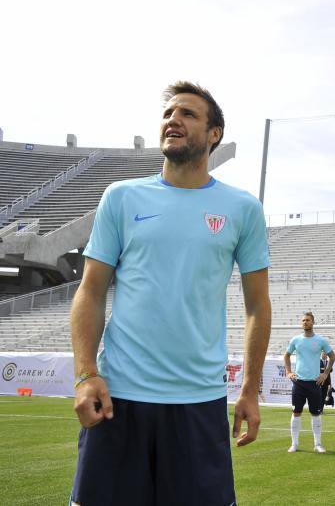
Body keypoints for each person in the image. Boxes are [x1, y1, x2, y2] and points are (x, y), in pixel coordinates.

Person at [69, 82, 272, 505]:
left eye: (188, 114)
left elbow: (257, 305)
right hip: (118, 399)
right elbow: (90, 291)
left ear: (214, 133)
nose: (173, 120)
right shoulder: (121, 197)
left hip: (198, 403)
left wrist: (250, 389)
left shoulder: (242, 208)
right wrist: (86, 374)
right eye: (168, 113)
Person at [284, 312, 335, 453]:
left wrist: (325, 374)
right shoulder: (296, 340)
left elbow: (332, 356)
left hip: (314, 384)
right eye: (303, 320)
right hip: (298, 382)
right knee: (296, 412)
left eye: (307, 320)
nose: (305, 322)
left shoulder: (321, 340)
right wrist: (288, 372)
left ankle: (318, 444)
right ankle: (294, 444)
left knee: (315, 413)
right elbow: (286, 355)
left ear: (313, 322)